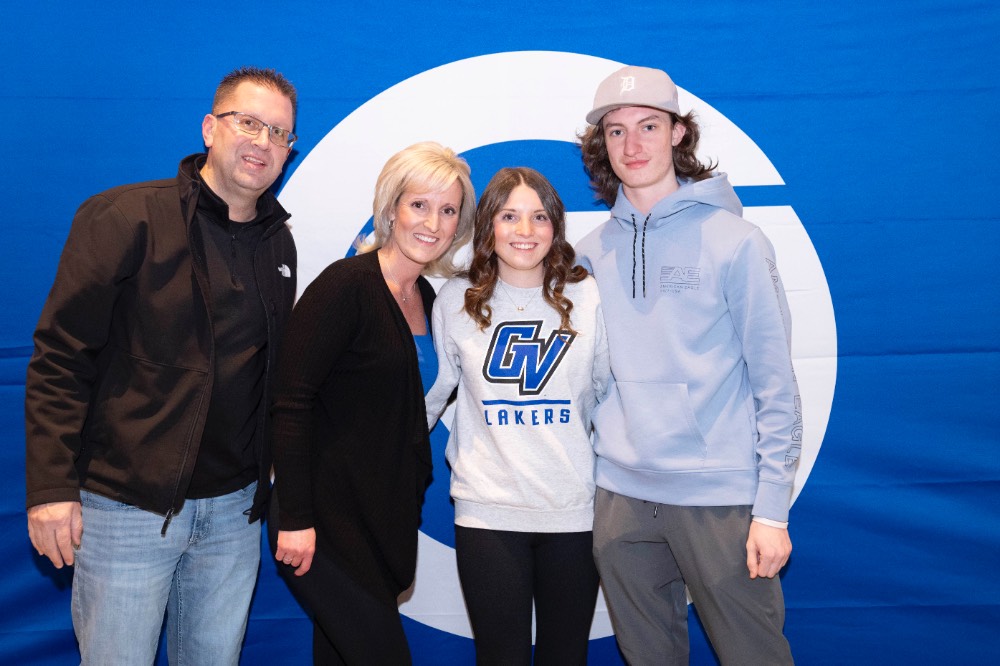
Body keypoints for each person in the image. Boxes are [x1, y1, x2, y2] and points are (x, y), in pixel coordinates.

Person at [24, 66, 299, 664]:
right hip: (126, 508)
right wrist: (50, 488)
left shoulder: (279, 243)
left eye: (280, 133)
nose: (263, 141)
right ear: (210, 128)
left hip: (233, 514)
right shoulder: (126, 218)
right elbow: (61, 357)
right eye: (248, 122)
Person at [575, 65, 802, 665]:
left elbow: (776, 384)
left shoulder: (737, 241)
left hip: (719, 499)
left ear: (678, 133)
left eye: (649, 126)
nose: (633, 144)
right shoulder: (589, 253)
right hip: (620, 497)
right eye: (617, 131)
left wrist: (771, 509)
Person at [268, 141, 475, 665]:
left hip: (381, 520)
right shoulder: (346, 285)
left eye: (448, 210)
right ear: (391, 208)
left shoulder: (429, 299)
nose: (433, 222)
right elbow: (290, 402)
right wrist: (295, 516)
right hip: (322, 521)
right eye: (419, 204)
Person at [425, 167, 611, 665]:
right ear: (488, 224)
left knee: (565, 657)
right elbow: (432, 396)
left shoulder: (588, 297)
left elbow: (607, 396)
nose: (525, 231)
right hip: (488, 511)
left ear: (556, 226)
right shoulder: (455, 300)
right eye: (509, 216)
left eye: (539, 217)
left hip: (573, 511)